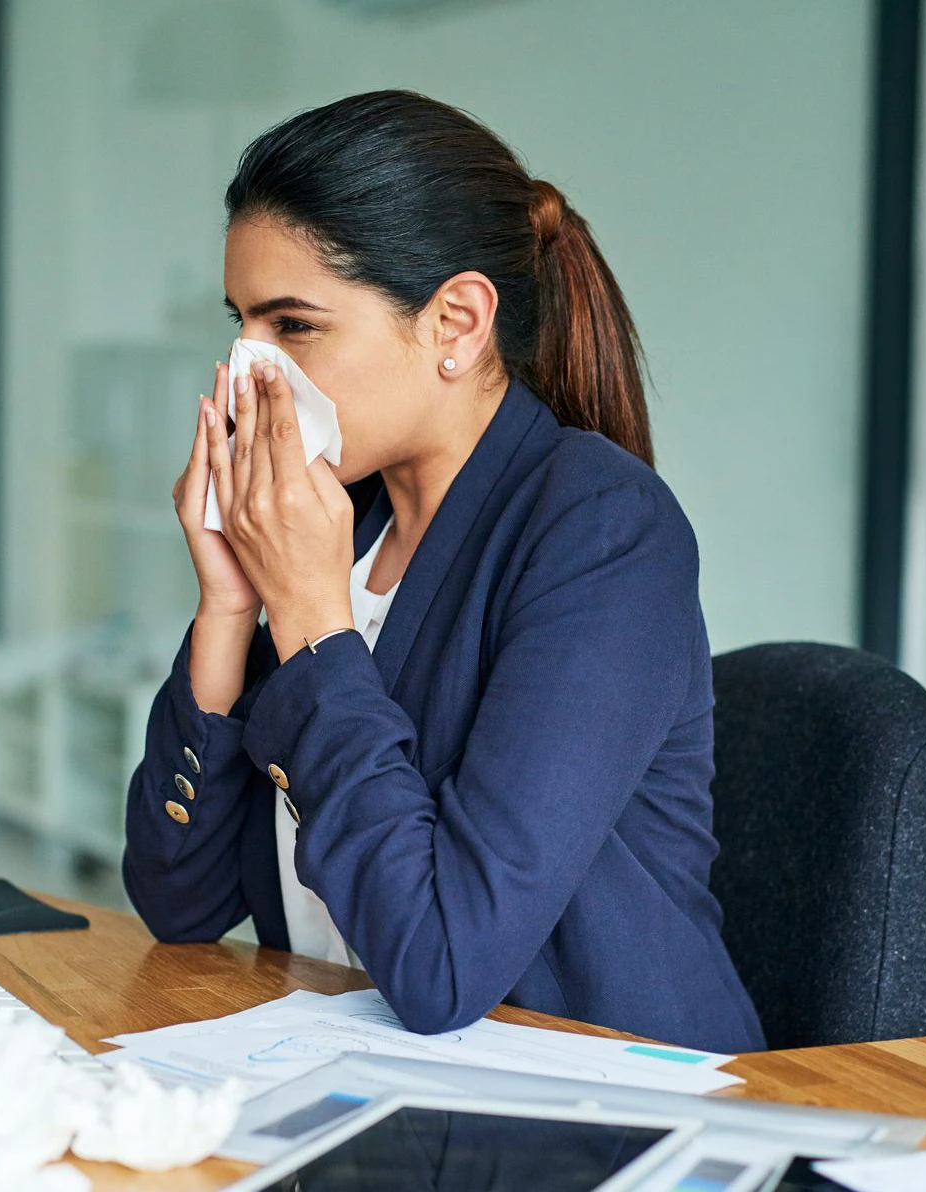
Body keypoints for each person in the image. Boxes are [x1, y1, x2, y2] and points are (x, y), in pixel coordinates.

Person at [122, 90, 764, 1053]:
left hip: (594, 1114)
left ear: (457, 324)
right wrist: (228, 605)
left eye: (292, 327)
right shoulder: (351, 521)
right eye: (240, 325)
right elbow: (180, 902)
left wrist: (309, 614)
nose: (247, 369)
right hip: (372, 1087)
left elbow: (439, 968)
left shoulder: (602, 532)